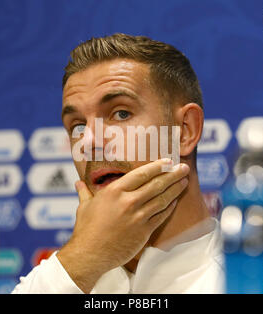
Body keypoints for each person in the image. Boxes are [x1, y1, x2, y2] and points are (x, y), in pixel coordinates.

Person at [12, 33, 224, 294]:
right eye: (78, 126)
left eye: (121, 113)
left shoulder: (252, 281)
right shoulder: (60, 277)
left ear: (184, 131)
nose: (89, 141)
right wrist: (81, 260)